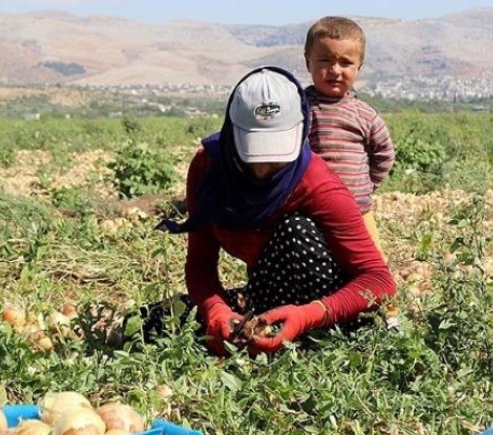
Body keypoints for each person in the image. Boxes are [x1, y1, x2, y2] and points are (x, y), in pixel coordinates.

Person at [152, 66, 395, 355]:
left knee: (296, 230)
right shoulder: (210, 170)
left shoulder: (315, 183)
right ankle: (265, 333)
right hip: (267, 293)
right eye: (253, 154)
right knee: (153, 324)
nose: (263, 170)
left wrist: (309, 314)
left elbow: (379, 281)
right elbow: (200, 264)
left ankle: (310, 340)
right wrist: (216, 311)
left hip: (326, 303)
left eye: (277, 158)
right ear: (232, 134)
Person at [304, 16, 395, 255]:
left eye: (345, 63)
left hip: (358, 209)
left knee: (372, 268)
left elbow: (384, 153)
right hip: (310, 210)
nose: (335, 70)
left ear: (358, 68)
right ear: (308, 62)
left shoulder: (365, 115)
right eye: (325, 61)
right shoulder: (298, 108)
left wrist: (368, 185)